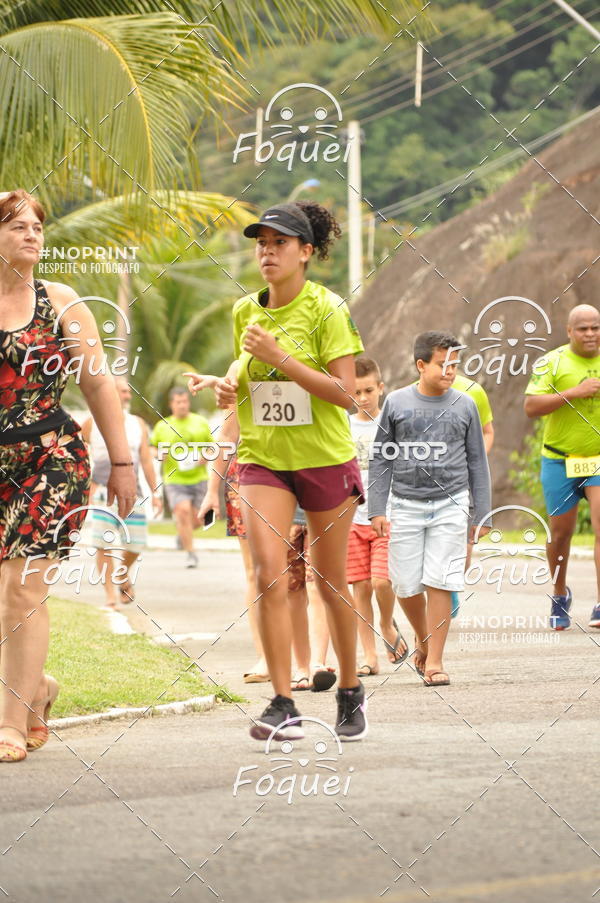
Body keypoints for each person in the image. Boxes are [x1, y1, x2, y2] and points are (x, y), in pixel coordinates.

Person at [209, 200, 367, 741]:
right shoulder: (243, 311)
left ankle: (350, 689)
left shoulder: (327, 309)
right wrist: (230, 387)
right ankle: (282, 702)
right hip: (264, 459)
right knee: (266, 574)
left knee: (330, 580)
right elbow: (248, 377)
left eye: (279, 243)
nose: (267, 252)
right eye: (261, 243)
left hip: (325, 457)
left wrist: (282, 358)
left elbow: (347, 394)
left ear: (305, 252)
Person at [0, 189, 136, 762]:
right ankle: (38, 689)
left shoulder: (60, 303)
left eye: (37, 226)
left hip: (50, 460)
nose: (32, 234)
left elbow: (98, 384)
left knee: (22, 589)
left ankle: (9, 724)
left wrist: (122, 463)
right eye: (17, 226)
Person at [369, 331, 491, 687]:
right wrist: (377, 508)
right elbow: (381, 459)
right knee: (405, 584)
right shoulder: (396, 403)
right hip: (405, 504)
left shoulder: (465, 405)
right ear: (421, 365)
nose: (450, 371)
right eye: (442, 364)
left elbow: (477, 462)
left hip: (452, 504)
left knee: (441, 580)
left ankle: (435, 661)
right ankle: (424, 639)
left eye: (455, 364)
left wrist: (481, 511)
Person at [524, 304, 600, 630]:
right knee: (560, 535)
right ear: (569, 331)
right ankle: (559, 594)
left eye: (596, 327)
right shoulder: (551, 362)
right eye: (583, 328)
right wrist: (574, 392)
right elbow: (531, 406)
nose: (590, 334)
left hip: (597, 460)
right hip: (559, 460)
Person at [347, 357, 408, 676]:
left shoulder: (392, 423)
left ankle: (386, 623)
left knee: (382, 581)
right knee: (360, 587)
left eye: (369, 390)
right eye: (356, 392)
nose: (363, 398)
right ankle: (369, 656)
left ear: (381, 388)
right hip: (352, 518)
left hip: (387, 514)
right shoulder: (344, 426)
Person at [81, 378, 162, 609]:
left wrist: (155, 493)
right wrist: (85, 489)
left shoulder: (138, 424)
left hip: (133, 492)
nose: (128, 395)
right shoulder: (91, 423)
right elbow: (80, 455)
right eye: (124, 391)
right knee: (103, 544)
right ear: (111, 392)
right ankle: (110, 596)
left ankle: (122, 574)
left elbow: (146, 460)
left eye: (128, 392)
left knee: (136, 544)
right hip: (102, 492)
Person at [150, 387, 212, 568]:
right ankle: (191, 553)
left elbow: (212, 446)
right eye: (178, 402)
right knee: (182, 512)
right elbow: (152, 447)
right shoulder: (162, 426)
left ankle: (182, 534)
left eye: (185, 401)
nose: (182, 405)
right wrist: (159, 454)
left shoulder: (200, 422)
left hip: (199, 478)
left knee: (200, 520)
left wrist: (206, 456)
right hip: (174, 479)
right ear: (171, 404)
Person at [449, 372, 495, 617]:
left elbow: (488, 432)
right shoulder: (414, 393)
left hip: (464, 479)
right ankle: (439, 587)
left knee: (464, 547)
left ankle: (450, 585)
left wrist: (475, 458)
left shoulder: (473, 391)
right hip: (429, 482)